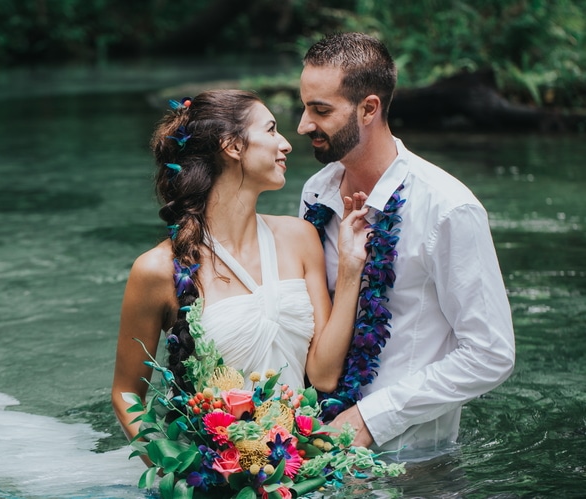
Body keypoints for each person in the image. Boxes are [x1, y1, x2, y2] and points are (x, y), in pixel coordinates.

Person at [297, 32, 516, 460]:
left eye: (320, 110)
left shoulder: (449, 208)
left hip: (410, 459)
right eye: (305, 106)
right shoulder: (315, 192)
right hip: (314, 442)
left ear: (369, 109)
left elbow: (491, 354)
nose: (303, 125)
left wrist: (371, 417)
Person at [111, 90, 370, 443]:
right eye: (271, 130)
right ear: (232, 146)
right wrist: (174, 473)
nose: (286, 144)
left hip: (294, 464)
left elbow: (323, 377)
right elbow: (127, 395)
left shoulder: (300, 237)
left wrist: (352, 268)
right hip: (209, 475)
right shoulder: (157, 269)